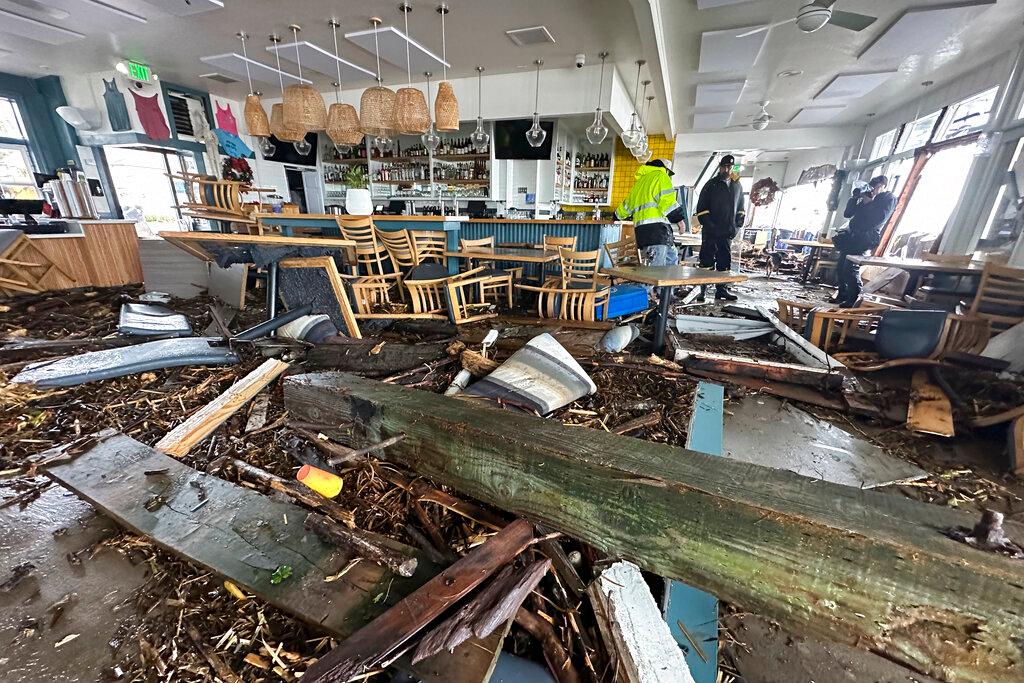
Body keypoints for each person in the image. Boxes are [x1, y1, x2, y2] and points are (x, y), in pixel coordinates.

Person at [834, 175, 897, 307]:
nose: (873, 189)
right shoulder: (866, 197)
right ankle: (842, 295)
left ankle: (854, 300)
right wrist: (855, 198)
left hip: (865, 238)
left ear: (884, 186)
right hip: (851, 236)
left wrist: (869, 201)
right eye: (872, 186)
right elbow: (848, 214)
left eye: (877, 186)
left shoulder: (888, 199)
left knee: (850, 269)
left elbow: (877, 219)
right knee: (840, 268)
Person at [615, 158, 686, 269]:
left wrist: (616, 216)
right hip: (657, 233)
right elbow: (667, 202)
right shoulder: (661, 176)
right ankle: (660, 287)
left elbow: (626, 207)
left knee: (670, 262)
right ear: (665, 169)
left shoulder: (639, 184)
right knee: (657, 271)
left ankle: (664, 286)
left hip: (644, 233)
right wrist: (680, 221)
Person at [694, 154, 745, 301]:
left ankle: (721, 290)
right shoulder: (711, 185)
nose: (727, 170)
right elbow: (702, 208)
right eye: (724, 167)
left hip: (727, 232)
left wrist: (737, 225)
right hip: (711, 232)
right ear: (720, 168)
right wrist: (710, 225)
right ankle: (702, 291)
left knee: (724, 261)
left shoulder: (737, 185)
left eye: (730, 167)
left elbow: (741, 206)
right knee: (706, 262)